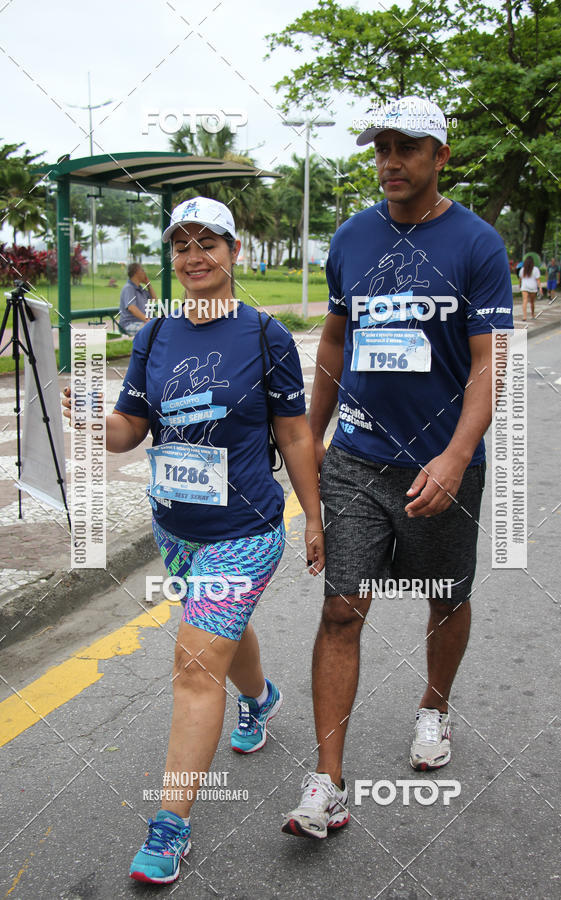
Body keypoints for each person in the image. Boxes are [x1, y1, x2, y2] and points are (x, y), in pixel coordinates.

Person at [63, 196, 325, 882]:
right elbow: (131, 426)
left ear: (235, 252)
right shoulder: (154, 335)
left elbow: (295, 433)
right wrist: (94, 422)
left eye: (209, 242)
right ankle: (262, 698)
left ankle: (170, 825)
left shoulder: (265, 335)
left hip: (245, 528)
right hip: (174, 526)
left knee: (196, 660)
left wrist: (316, 516)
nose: (195, 255)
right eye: (182, 245)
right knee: (220, 633)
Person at [282, 95, 513, 839]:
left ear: (441, 156)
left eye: (408, 147)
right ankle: (327, 783)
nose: (390, 161)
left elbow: (488, 366)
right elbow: (334, 349)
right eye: (381, 146)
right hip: (356, 458)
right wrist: (309, 446)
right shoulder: (352, 238)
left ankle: (434, 708)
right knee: (341, 608)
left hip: (440, 466)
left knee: (443, 595)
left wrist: (455, 455)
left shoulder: (477, 245)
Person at [119, 263, 157, 334]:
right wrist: (148, 321)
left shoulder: (140, 288)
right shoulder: (129, 288)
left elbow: (154, 299)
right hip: (130, 324)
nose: (144, 273)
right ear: (137, 272)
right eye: (142, 270)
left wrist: (148, 284)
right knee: (152, 331)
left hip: (142, 323)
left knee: (160, 328)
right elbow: (132, 308)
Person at [520, 255, 541, 321]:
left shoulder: (522, 269)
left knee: (524, 301)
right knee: (532, 302)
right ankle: (532, 315)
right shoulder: (535, 269)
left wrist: (520, 285)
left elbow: (520, 279)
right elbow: (538, 280)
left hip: (524, 287)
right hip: (533, 287)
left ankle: (524, 316)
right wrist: (540, 288)